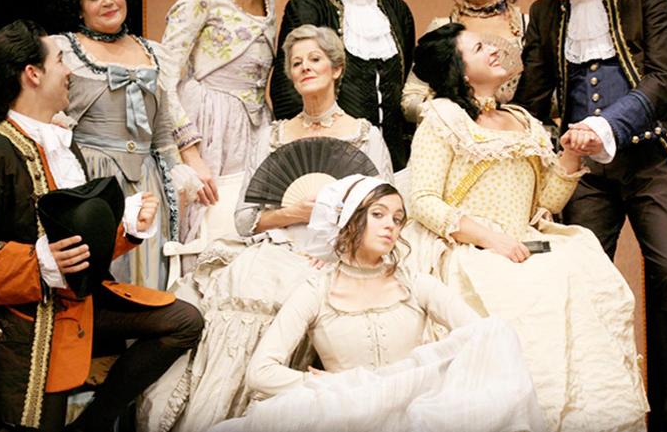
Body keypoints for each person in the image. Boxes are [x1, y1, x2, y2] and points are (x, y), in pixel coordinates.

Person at [0, 20, 203, 432]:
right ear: (33, 73)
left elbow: (81, 244)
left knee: (184, 321)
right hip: (31, 318)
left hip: (84, 302)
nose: (69, 71)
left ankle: (92, 424)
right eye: (61, 61)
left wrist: (127, 229)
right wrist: (39, 260)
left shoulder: (66, 146)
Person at [138, 25, 394, 432]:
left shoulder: (365, 137)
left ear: (337, 69)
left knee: (300, 294)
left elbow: (383, 211)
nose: (305, 67)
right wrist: (291, 213)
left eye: (315, 59)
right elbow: (245, 219)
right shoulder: (271, 135)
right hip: (276, 246)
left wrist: (341, 251)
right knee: (246, 286)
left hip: (337, 257)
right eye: (296, 63)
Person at [406, 22, 648, 431]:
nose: (494, 50)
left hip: (526, 243)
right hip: (470, 249)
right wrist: (491, 239)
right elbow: (423, 200)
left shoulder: (521, 119)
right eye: (479, 48)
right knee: (523, 299)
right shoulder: (443, 118)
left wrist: (570, 155)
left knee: (584, 276)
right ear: (458, 70)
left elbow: (546, 203)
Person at [506, 0, 667, 430]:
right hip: (585, 172)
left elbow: (665, 76)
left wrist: (607, 126)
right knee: (581, 277)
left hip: (651, 158)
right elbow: (535, 93)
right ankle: (595, 403)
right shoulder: (546, 12)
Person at [208, 175, 545, 432]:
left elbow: (483, 337)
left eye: (397, 219)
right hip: (345, 413)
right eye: (378, 214)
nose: (390, 226)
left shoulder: (415, 283)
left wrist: (429, 372)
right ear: (349, 219)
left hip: (414, 410)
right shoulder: (315, 290)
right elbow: (261, 372)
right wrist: (329, 385)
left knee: (499, 331)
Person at [50, 0, 201, 289]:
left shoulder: (155, 53)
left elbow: (161, 131)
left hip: (148, 182)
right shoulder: (64, 50)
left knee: (150, 282)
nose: (108, 2)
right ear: (78, 6)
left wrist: (177, 175)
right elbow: (52, 116)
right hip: (94, 180)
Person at [161, 0, 278, 243]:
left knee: (251, 225)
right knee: (210, 226)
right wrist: (190, 152)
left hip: (256, 124)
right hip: (209, 123)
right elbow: (164, 73)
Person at [268, 0, 415, 171]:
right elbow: (287, 90)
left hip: (397, 163)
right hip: (331, 162)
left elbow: (407, 86)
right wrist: (310, 158)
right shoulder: (307, 6)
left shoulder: (398, 11)